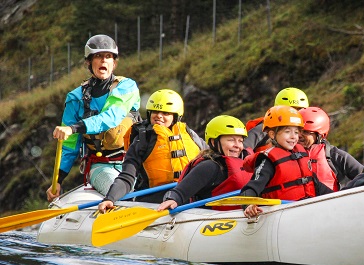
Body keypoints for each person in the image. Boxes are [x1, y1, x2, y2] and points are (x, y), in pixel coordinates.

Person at [46, 34, 140, 201]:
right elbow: (69, 146)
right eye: (98, 56)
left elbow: (112, 117)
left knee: (148, 194)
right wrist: (58, 181)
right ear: (89, 62)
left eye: (108, 57)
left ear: (114, 63)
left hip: (134, 163)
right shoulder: (75, 98)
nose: (104, 61)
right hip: (100, 166)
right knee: (119, 193)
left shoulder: (127, 87)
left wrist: (74, 127)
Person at [97, 89, 206, 212]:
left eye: (165, 113)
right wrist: (110, 198)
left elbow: (210, 163)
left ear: (176, 117)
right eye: (155, 111)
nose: (159, 115)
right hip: (154, 200)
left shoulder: (191, 136)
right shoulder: (142, 140)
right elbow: (127, 177)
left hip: (188, 195)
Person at [241, 105, 333, 218]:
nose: (293, 137)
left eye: (296, 132)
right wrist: (249, 205)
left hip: (306, 209)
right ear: (272, 134)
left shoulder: (301, 153)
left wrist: (337, 198)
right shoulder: (268, 160)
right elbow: (250, 188)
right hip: (282, 215)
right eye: (287, 131)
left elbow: (315, 184)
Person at [156, 115, 252, 211]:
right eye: (231, 140)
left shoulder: (247, 162)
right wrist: (172, 199)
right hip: (213, 219)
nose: (237, 146)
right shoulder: (209, 166)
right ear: (214, 142)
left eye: (240, 141)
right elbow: (180, 192)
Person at [297, 106, 363, 191]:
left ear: (321, 136)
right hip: (292, 204)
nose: (299, 135)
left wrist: (345, 193)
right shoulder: (284, 153)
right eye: (297, 130)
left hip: (328, 203)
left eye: (306, 132)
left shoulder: (335, 156)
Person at [243, 87, 309, 151]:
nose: (295, 113)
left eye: (299, 109)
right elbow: (243, 150)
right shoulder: (264, 129)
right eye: (290, 109)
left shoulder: (310, 131)